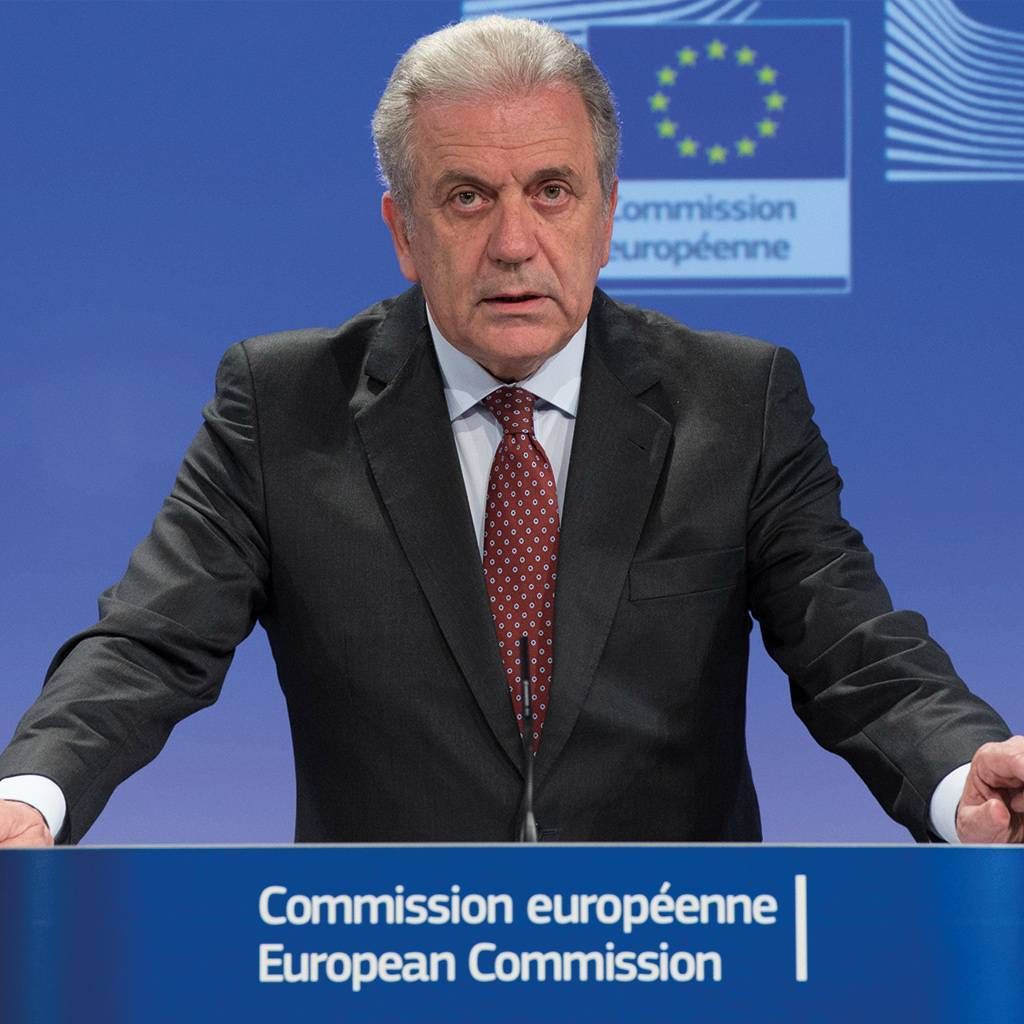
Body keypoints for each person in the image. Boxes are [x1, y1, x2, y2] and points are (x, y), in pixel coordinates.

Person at [0, 16, 1021, 847]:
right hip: (387, 961)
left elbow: (853, 648)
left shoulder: (736, 401)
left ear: (606, 216)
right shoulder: (282, 408)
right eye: (466, 198)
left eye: (551, 191)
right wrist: (30, 795)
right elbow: (147, 643)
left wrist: (958, 774)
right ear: (404, 231)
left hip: (669, 958)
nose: (513, 242)